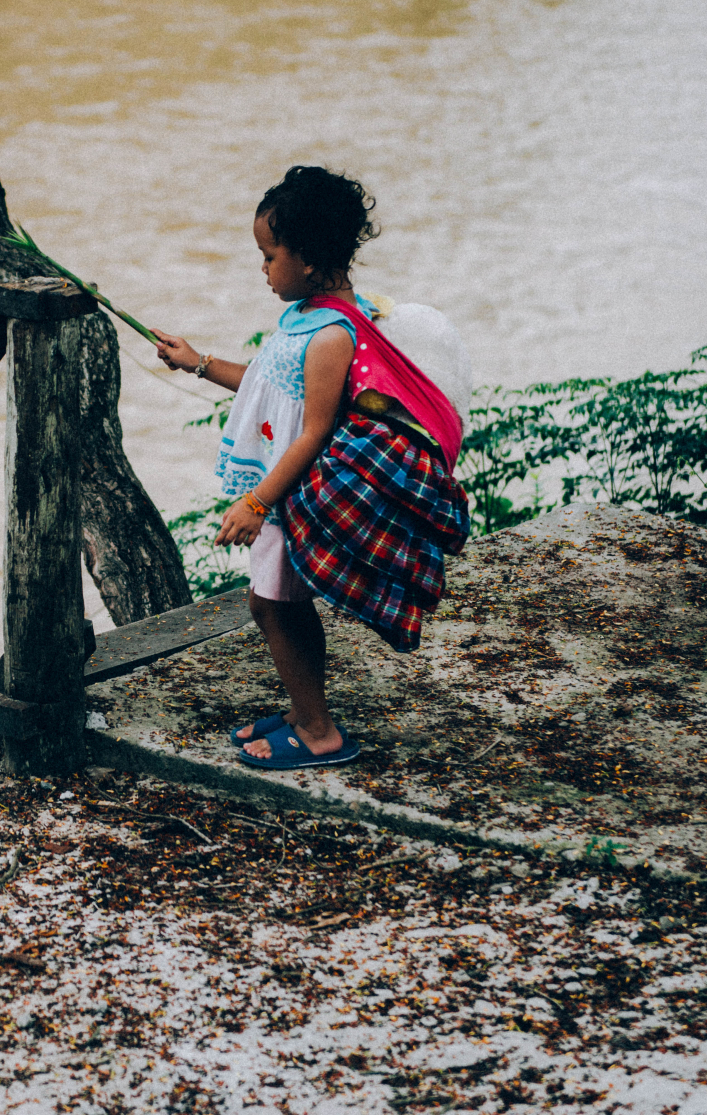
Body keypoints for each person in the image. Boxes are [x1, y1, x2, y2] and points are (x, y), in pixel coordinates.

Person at [151, 166, 472, 769]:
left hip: (293, 495)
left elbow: (315, 428)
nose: (263, 268)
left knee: (274, 605)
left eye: (270, 255)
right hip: (284, 493)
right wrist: (198, 363)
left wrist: (257, 502)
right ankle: (303, 712)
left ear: (308, 258)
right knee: (274, 602)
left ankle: (319, 731)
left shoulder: (331, 334)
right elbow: (270, 387)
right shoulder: (304, 319)